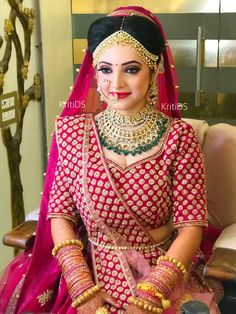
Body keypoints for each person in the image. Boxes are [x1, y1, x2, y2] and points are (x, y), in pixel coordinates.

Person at [0, 6, 223, 314]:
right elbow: (60, 215)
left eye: (131, 69)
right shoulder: (71, 132)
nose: (115, 83)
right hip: (86, 270)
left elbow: (190, 228)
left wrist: (152, 293)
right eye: (105, 69)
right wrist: (81, 286)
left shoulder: (179, 138)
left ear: (155, 69)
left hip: (161, 270)